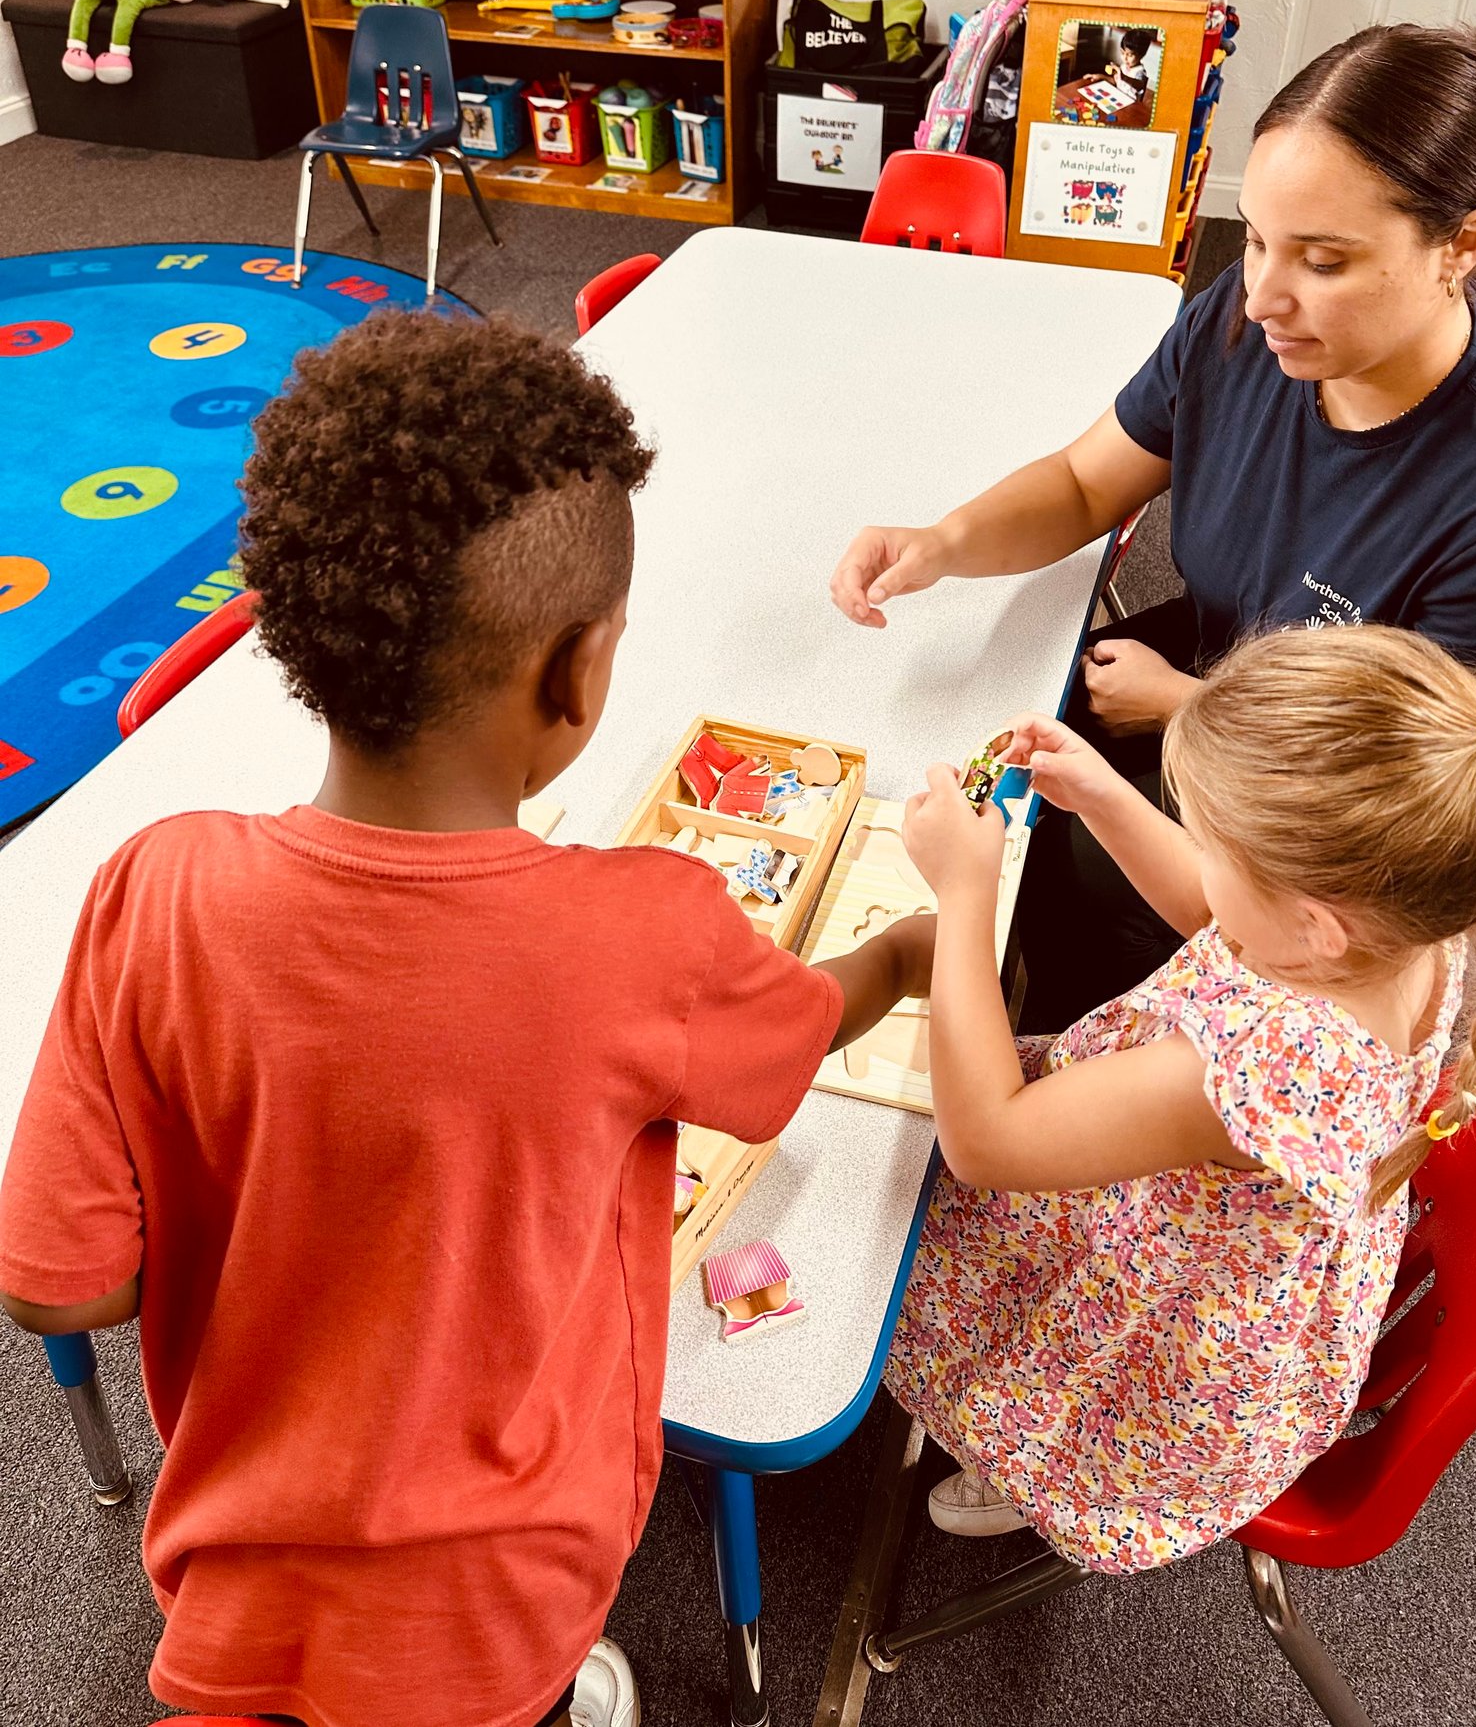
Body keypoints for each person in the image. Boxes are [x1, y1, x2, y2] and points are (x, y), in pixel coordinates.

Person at [0, 313, 932, 1727]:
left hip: (233, 1600)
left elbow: (59, 1289)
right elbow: (791, 1042)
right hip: (500, 1613)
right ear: (577, 674)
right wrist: (907, 951)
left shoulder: (154, 885)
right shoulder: (645, 928)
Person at [830, 23, 1476, 1019]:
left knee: (1044, 878)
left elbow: (1418, 815)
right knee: (968, 764)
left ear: (1462, 244)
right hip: (1198, 682)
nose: (1263, 294)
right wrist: (942, 542)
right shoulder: (1243, 331)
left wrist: (1186, 706)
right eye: (1259, 240)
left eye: (1321, 260)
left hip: (1306, 835)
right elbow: (1078, 482)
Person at [886, 624, 1476, 1556]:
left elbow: (986, 1143)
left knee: (892, 1228)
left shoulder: (1264, 1070)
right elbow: (1218, 913)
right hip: (1218, 1251)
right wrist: (1099, 791)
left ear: (1315, 923)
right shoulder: (1397, 931)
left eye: (1216, 841)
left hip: (1151, 1350)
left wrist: (967, 893)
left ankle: (1037, 1462)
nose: (1202, 853)